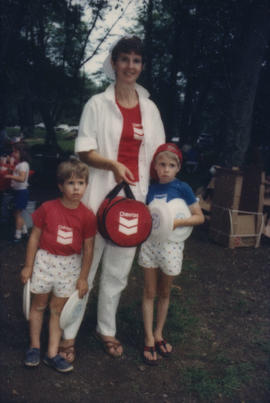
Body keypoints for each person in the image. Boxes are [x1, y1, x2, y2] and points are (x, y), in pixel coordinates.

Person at [59, 35, 165, 360]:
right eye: (124, 59)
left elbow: (158, 156)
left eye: (136, 60)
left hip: (134, 205)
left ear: (141, 66)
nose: (130, 66)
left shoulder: (149, 109)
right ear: (114, 63)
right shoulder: (97, 104)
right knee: (84, 270)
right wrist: (112, 164)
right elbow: (84, 150)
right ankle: (68, 333)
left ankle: (106, 329)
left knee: (118, 274)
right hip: (97, 200)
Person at [20, 159, 97, 373]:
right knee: (38, 305)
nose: (76, 188)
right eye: (71, 183)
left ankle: (52, 353)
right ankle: (34, 346)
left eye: (81, 183)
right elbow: (34, 238)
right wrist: (28, 266)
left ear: (86, 186)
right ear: (61, 186)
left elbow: (88, 249)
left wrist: (83, 277)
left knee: (58, 311)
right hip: (45, 262)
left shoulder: (87, 216)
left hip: (70, 266)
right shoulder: (47, 208)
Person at [138, 143, 205, 365]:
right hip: (151, 245)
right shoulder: (149, 190)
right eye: (162, 164)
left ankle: (159, 332)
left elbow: (199, 217)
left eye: (171, 165)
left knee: (164, 291)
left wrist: (177, 222)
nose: (166, 169)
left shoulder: (183, 188)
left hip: (172, 247)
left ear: (178, 168)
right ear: (155, 167)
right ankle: (148, 336)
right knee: (149, 291)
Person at [4, 142, 30, 241]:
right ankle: (24, 231)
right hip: (18, 191)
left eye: (15, 152)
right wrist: (11, 168)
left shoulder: (23, 165)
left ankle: (18, 235)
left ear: (22, 153)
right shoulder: (19, 164)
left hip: (21, 192)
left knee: (17, 214)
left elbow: (22, 178)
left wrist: (10, 176)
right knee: (16, 213)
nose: (13, 154)